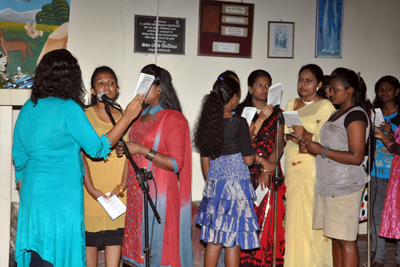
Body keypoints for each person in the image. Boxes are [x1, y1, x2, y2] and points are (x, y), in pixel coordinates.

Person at [12, 49, 144, 267]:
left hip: (33, 195)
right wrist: (128, 115)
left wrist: (24, 187)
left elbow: (19, 155)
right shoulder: (69, 109)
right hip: (61, 197)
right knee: (57, 256)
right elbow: (99, 149)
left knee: (38, 255)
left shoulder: (28, 108)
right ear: (71, 77)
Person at [117, 64, 193, 267]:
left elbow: (176, 164)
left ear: (160, 87)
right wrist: (126, 150)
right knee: (136, 254)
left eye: (146, 84)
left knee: (159, 254)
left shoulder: (172, 118)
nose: (141, 90)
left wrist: (141, 149)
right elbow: (135, 153)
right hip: (136, 195)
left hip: (159, 196)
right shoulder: (138, 118)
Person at [300, 68, 370, 267]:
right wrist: (311, 147)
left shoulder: (355, 115)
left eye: (335, 89)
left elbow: (356, 157)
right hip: (330, 185)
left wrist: (321, 150)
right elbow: (334, 146)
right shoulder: (337, 112)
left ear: (349, 91)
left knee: (345, 239)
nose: (330, 93)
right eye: (330, 89)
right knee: (335, 237)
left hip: (345, 187)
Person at [194, 76, 260, 267]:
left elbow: (204, 159)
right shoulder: (239, 123)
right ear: (233, 98)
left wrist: (213, 181)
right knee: (233, 240)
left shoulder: (208, 124)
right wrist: (250, 135)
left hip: (215, 187)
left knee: (214, 238)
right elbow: (249, 160)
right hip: (236, 188)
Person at [283, 64, 335, 267]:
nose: (303, 85)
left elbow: (330, 140)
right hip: (292, 164)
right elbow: (286, 132)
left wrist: (307, 135)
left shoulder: (326, 107)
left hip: (311, 165)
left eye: (309, 80)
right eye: (300, 80)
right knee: (293, 216)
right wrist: (292, 135)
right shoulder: (291, 103)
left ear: (319, 84)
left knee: (308, 217)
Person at [236, 70, 286, 267]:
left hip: (270, 169)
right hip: (247, 169)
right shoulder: (242, 112)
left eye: (267, 86)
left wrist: (268, 168)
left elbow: (279, 142)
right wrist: (260, 162)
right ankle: (245, 260)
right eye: (259, 85)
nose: (264, 89)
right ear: (250, 88)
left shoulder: (278, 113)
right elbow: (243, 141)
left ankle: (267, 259)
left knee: (271, 216)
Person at [82, 66, 128, 267]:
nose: (106, 87)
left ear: (117, 89)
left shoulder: (127, 116)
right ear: (92, 91)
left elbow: (130, 158)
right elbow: (80, 156)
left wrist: (121, 188)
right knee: (88, 251)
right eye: (100, 83)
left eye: (110, 83)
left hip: (117, 195)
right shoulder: (84, 115)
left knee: (113, 252)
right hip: (90, 194)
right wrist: (92, 190)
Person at [371, 76, 400, 267]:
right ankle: (379, 256)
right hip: (377, 172)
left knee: (398, 215)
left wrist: (390, 131)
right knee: (376, 213)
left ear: (397, 91)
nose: (384, 93)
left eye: (388, 89)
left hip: (396, 174)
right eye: (380, 89)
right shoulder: (374, 114)